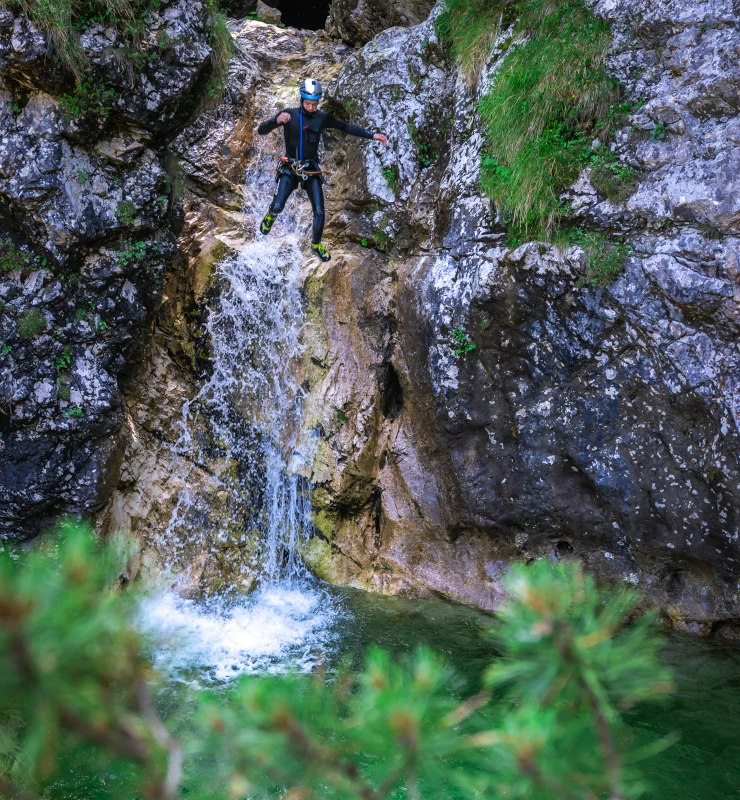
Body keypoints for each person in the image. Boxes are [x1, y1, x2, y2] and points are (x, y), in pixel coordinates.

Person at [257, 78, 388, 262]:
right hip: (290, 168)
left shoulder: (322, 118)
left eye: (314, 104)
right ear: (301, 100)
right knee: (278, 206)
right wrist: (275, 120)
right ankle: (270, 216)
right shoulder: (288, 115)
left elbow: (346, 127)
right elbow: (261, 130)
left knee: (319, 212)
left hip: (311, 169)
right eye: (308, 103)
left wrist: (372, 135)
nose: (311, 107)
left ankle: (316, 245)